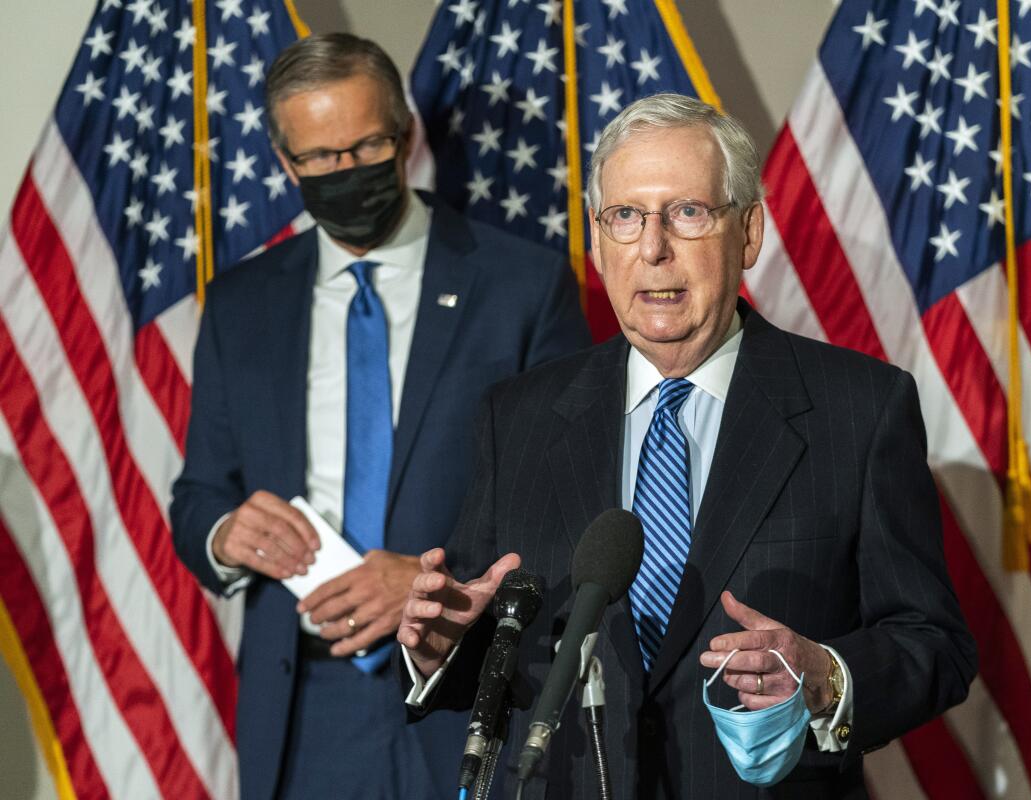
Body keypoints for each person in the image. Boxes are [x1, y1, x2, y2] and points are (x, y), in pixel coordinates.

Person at [397, 94, 977, 798]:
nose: (653, 247)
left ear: (750, 234)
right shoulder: (516, 416)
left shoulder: (859, 409)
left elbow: (934, 643)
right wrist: (440, 647)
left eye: (688, 213)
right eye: (627, 217)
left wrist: (824, 673)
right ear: (599, 242)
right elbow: (495, 638)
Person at [169, 33, 590, 800]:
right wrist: (227, 535)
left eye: (365, 145)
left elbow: (574, 505)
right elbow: (198, 494)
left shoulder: (523, 285)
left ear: (404, 134)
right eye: (319, 157)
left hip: (466, 694)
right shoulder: (240, 304)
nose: (344, 172)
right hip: (304, 712)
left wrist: (441, 589)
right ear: (284, 160)